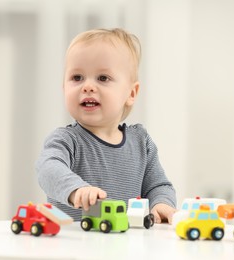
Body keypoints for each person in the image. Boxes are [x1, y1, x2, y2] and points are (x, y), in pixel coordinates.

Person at [36, 28, 176, 223]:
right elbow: (48, 170)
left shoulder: (141, 142)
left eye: (103, 78)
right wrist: (77, 190)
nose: (87, 86)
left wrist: (161, 203)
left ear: (131, 93)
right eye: (77, 78)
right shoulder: (66, 140)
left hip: (125, 246)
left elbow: (158, 185)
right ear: (64, 88)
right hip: (72, 246)